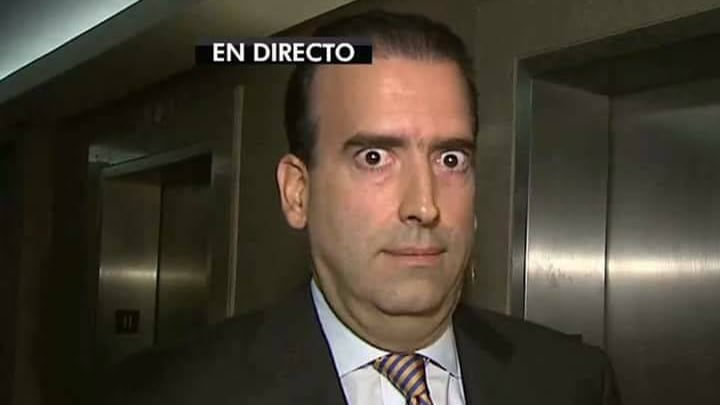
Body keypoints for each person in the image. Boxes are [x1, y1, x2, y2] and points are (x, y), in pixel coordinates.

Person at [104, 9, 622, 405]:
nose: (424, 206)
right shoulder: (171, 393)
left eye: (450, 158)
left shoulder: (571, 381)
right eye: (375, 157)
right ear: (297, 192)